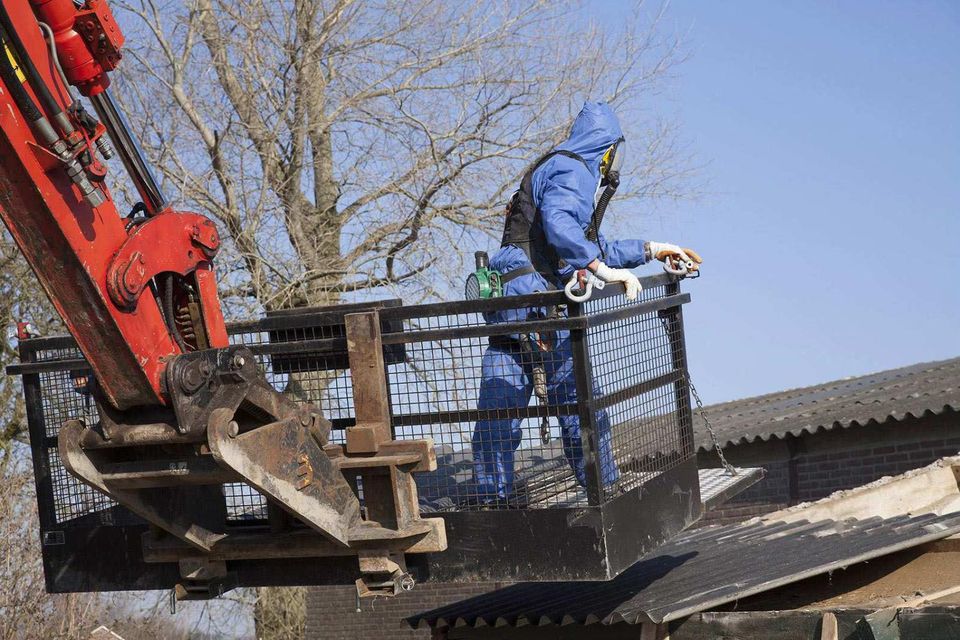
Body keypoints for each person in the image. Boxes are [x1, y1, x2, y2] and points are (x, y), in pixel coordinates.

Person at [470, 101, 701, 504]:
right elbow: (562, 228)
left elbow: (591, 243)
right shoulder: (574, 170)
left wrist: (653, 249)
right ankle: (603, 490)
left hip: (515, 309)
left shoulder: (557, 167)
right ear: (606, 148)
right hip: (538, 308)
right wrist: (601, 271)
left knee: (499, 415)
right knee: (579, 408)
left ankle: (494, 501)